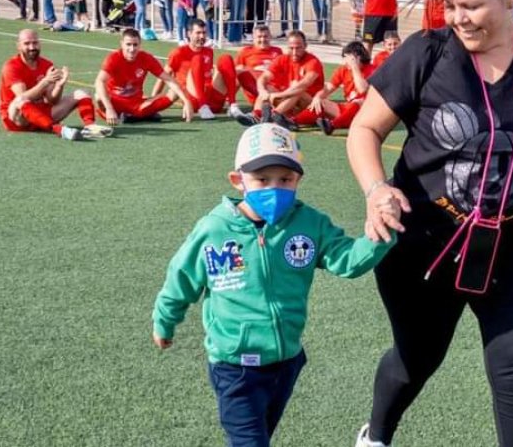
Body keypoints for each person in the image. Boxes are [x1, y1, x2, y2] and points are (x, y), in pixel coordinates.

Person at [347, 0, 513, 447]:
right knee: (418, 358)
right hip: (425, 242)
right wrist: (375, 190)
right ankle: (377, 433)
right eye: (450, 5)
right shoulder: (426, 54)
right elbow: (364, 130)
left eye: (472, 5)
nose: (459, 18)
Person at [152, 122, 395, 447]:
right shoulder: (214, 230)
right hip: (234, 365)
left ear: (298, 180)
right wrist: (164, 322)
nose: (274, 188)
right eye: (262, 179)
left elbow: (347, 261)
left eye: (285, 179)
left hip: (286, 361)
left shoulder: (309, 223)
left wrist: (381, 234)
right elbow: (180, 279)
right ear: (238, 181)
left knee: (260, 435)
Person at [0, 29, 110, 140]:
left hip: (41, 117)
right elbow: (23, 97)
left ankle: (90, 127)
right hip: (19, 120)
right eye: (27, 43)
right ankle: (59, 130)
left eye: (35, 43)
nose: (32, 47)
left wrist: (59, 86)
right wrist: (45, 82)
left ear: (40, 43)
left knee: (82, 93)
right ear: (18, 46)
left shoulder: (47, 64)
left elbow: (52, 100)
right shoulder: (11, 66)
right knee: (20, 101)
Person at [95, 28, 193, 125]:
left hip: (138, 105)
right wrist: (109, 108)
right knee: (99, 97)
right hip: (115, 103)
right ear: (122, 44)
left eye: (135, 45)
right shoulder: (114, 58)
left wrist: (186, 101)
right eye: (128, 44)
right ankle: (129, 115)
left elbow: (168, 79)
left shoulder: (146, 58)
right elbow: (99, 81)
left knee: (175, 93)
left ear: (140, 44)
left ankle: (132, 116)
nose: (132, 49)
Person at [163, 19, 246, 121]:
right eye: (198, 33)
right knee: (197, 59)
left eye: (204, 33)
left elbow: (209, 74)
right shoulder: (179, 52)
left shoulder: (209, 51)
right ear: (189, 34)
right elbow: (163, 75)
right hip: (194, 99)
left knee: (226, 58)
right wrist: (155, 96)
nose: (202, 36)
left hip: (212, 100)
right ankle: (203, 106)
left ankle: (233, 105)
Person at [295, 41, 375, 136]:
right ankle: (294, 121)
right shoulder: (343, 69)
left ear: (357, 57)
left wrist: (354, 67)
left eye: (347, 58)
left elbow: (362, 89)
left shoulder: (372, 69)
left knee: (359, 102)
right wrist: (318, 97)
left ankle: (332, 126)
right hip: (348, 110)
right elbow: (328, 88)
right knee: (321, 102)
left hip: (366, 113)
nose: (345, 62)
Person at [256, 31, 325, 125]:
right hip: (289, 102)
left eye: (298, 48)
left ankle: (274, 115)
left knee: (298, 90)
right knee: (267, 87)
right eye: (291, 48)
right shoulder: (282, 59)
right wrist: (262, 91)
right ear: (287, 47)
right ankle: (256, 115)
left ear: (305, 46)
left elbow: (304, 85)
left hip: (310, 105)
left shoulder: (313, 62)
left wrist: (279, 95)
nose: (294, 52)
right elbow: (263, 77)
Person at [229, 23, 284, 107]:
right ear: (254, 38)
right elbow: (234, 75)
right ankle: (231, 102)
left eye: (265, 36)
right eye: (259, 37)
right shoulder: (245, 51)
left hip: (274, 87)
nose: (263, 39)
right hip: (256, 88)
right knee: (239, 69)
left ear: (270, 37)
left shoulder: (277, 51)